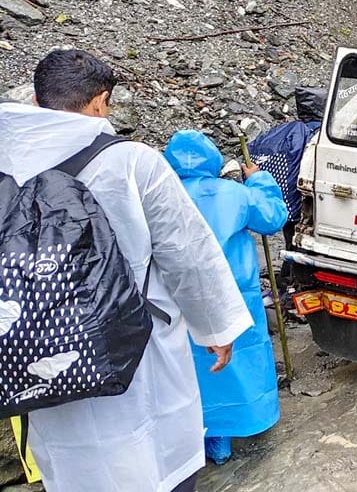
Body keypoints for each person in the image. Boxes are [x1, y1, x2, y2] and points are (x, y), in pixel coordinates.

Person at [0, 50, 249, 492]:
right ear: (101, 101)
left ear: (37, 101)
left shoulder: (8, 165)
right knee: (153, 450)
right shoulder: (132, 161)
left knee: (75, 462)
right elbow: (185, 252)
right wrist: (216, 327)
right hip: (135, 342)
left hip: (40, 344)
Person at [164, 131, 288, 466]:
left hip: (178, 296)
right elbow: (272, 218)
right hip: (234, 293)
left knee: (192, 364)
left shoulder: (160, 196)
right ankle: (241, 425)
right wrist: (259, 180)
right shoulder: (234, 194)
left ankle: (204, 434)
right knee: (240, 358)